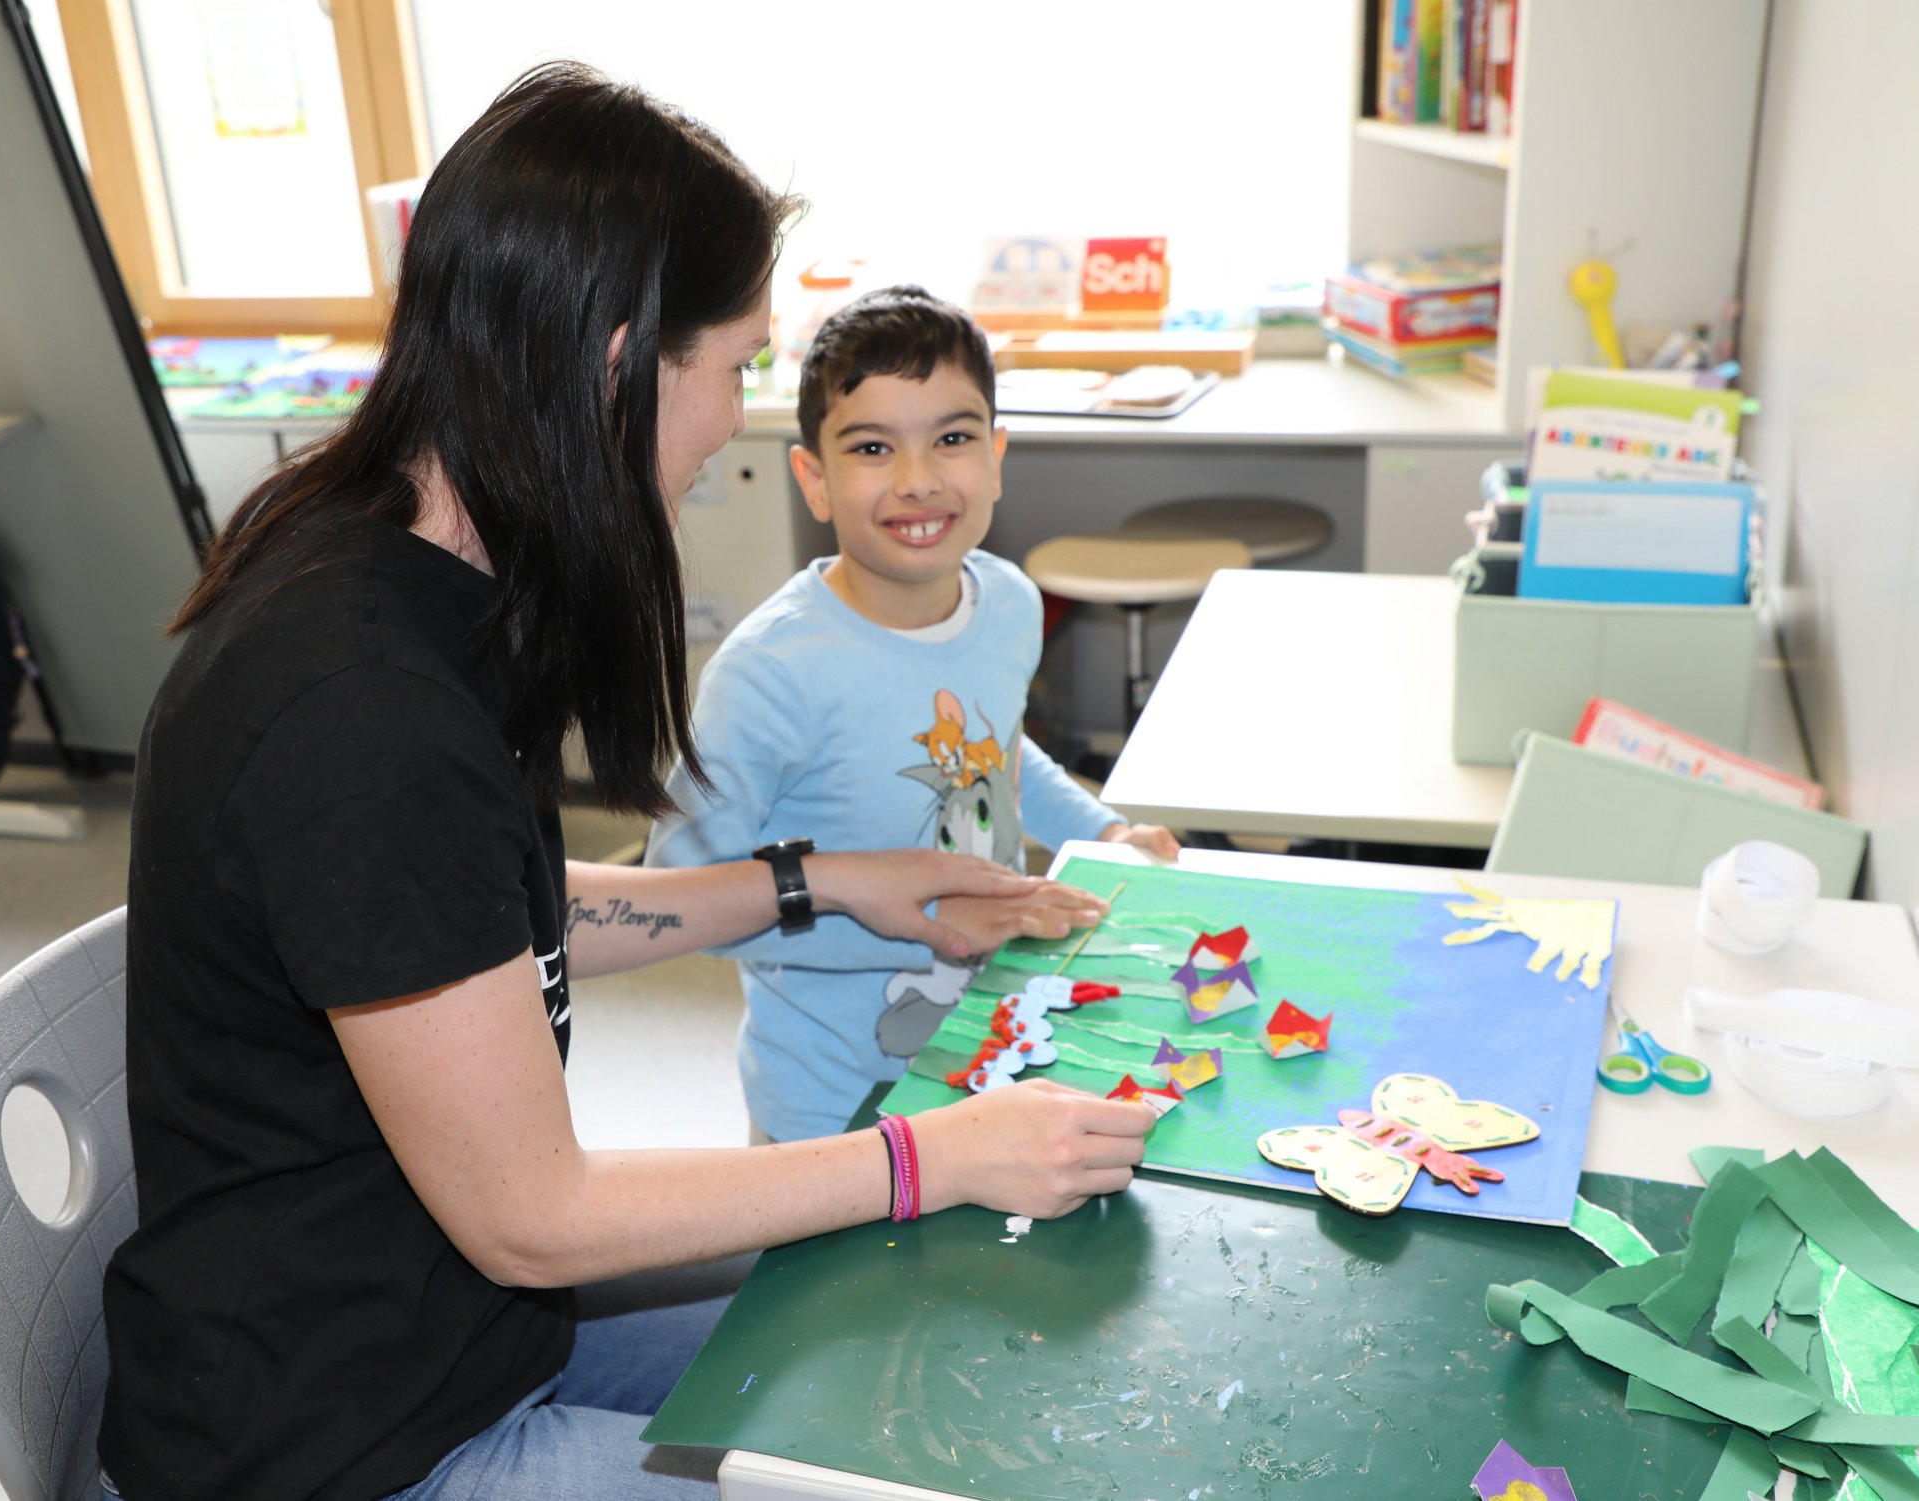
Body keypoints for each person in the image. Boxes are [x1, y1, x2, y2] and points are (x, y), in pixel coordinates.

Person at [97, 65, 1156, 1501]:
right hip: (347, 1442)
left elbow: (490, 917)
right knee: (907, 1424)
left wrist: (824, 883)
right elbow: (538, 1216)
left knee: (916, 1335)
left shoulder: (421, 575)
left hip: (457, 1326)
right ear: (614, 360)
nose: (731, 420)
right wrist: (936, 1153)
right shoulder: (358, 709)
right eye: (730, 365)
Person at [645, 286, 1181, 1144]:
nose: (919, 479)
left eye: (954, 438)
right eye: (871, 446)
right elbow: (677, 899)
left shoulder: (1007, 602)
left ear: (998, 457)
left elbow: (997, 754)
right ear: (813, 478)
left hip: (989, 1051)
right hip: (830, 1105)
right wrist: (918, 927)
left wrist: (1101, 832)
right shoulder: (771, 674)